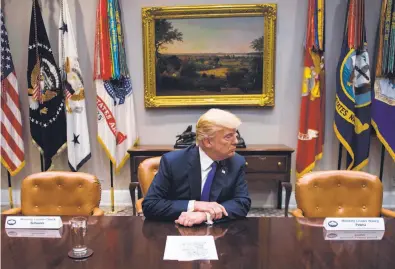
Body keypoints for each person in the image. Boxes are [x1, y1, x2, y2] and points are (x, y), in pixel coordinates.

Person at [142, 108, 251, 226]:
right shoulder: (174, 162)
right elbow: (150, 205)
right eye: (228, 136)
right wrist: (196, 205)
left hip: (219, 233)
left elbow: (242, 203)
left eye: (235, 135)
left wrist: (206, 215)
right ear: (207, 142)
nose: (236, 141)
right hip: (177, 229)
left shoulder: (236, 162)